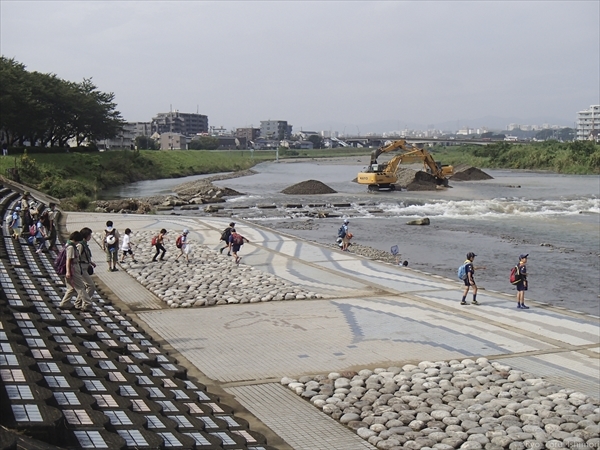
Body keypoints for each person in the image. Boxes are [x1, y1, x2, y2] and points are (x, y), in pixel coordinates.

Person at [59, 228, 96, 310]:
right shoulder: (73, 247)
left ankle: (64, 303)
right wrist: (68, 272)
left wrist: (90, 262)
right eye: (89, 235)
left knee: (72, 288)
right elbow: (69, 260)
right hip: (74, 268)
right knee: (81, 287)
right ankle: (87, 303)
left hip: (74, 268)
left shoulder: (70, 245)